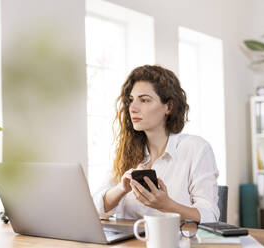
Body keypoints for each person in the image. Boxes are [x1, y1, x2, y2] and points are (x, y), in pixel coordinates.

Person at [93, 65, 219, 223]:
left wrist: (167, 205)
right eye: (131, 100)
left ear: (169, 106)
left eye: (144, 100)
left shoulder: (196, 148)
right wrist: (121, 189)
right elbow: (94, 209)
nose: (133, 108)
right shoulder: (126, 152)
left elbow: (210, 216)